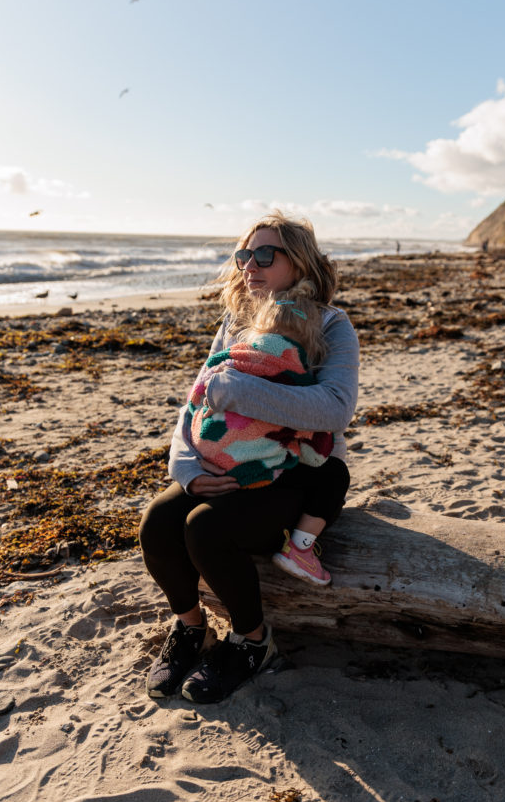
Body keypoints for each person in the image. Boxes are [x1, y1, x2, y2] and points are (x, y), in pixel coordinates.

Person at [139, 212, 359, 704]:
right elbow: (197, 401)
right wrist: (189, 471)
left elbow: (335, 410)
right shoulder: (235, 322)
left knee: (205, 528)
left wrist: (241, 390)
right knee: (156, 521)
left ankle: (252, 641)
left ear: (297, 260)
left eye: (265, 254)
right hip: (222, 461)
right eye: (244, 255)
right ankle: (192, 629)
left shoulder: (331, 323)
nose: (249, 266)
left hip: (297, 472)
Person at [185, 289, 337, 585]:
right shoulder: (297, 376)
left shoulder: (231, 355)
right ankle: (301, 549)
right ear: (309, 341)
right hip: (250, 472)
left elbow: (194, 399)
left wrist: (194, 448)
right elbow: (316, 450)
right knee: (333, 476)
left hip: (207, 456)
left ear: (257, 326)